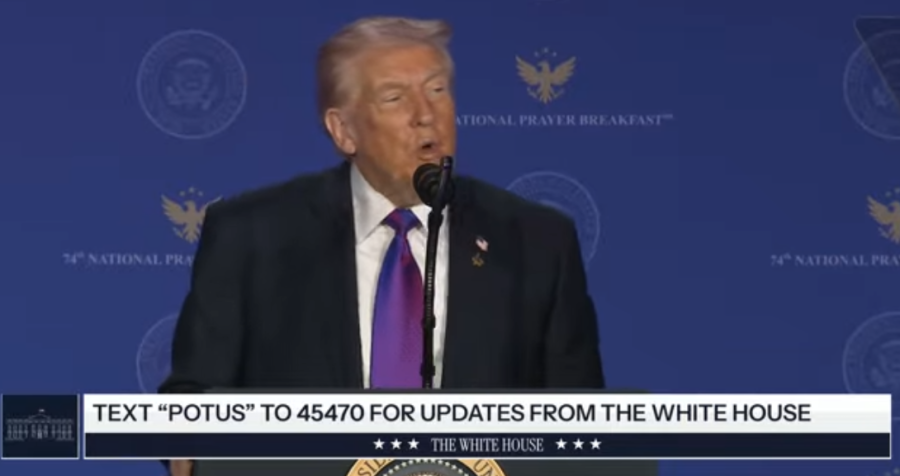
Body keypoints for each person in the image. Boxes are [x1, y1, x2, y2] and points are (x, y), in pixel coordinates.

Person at [162, 15, 604, 476]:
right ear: (343, 131)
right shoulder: (252, 237)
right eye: (395, 98)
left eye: (437, 90)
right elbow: (191, 398)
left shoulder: (536, 242)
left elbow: (584, 428)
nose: (425, 114)